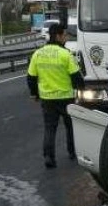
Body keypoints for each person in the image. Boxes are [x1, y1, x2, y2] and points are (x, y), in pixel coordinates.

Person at [27, 23, 84, 169]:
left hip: (47, 99)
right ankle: (72, 152)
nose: (66, 38)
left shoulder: (38, 54)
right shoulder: (65, 54)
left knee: (49, 128)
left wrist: (34, 93)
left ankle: (48, 156)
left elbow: (31, 77)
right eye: (64, 35)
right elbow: (76, 76)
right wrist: (81, 89)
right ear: (58, 36)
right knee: (70, 126)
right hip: (66, 98)